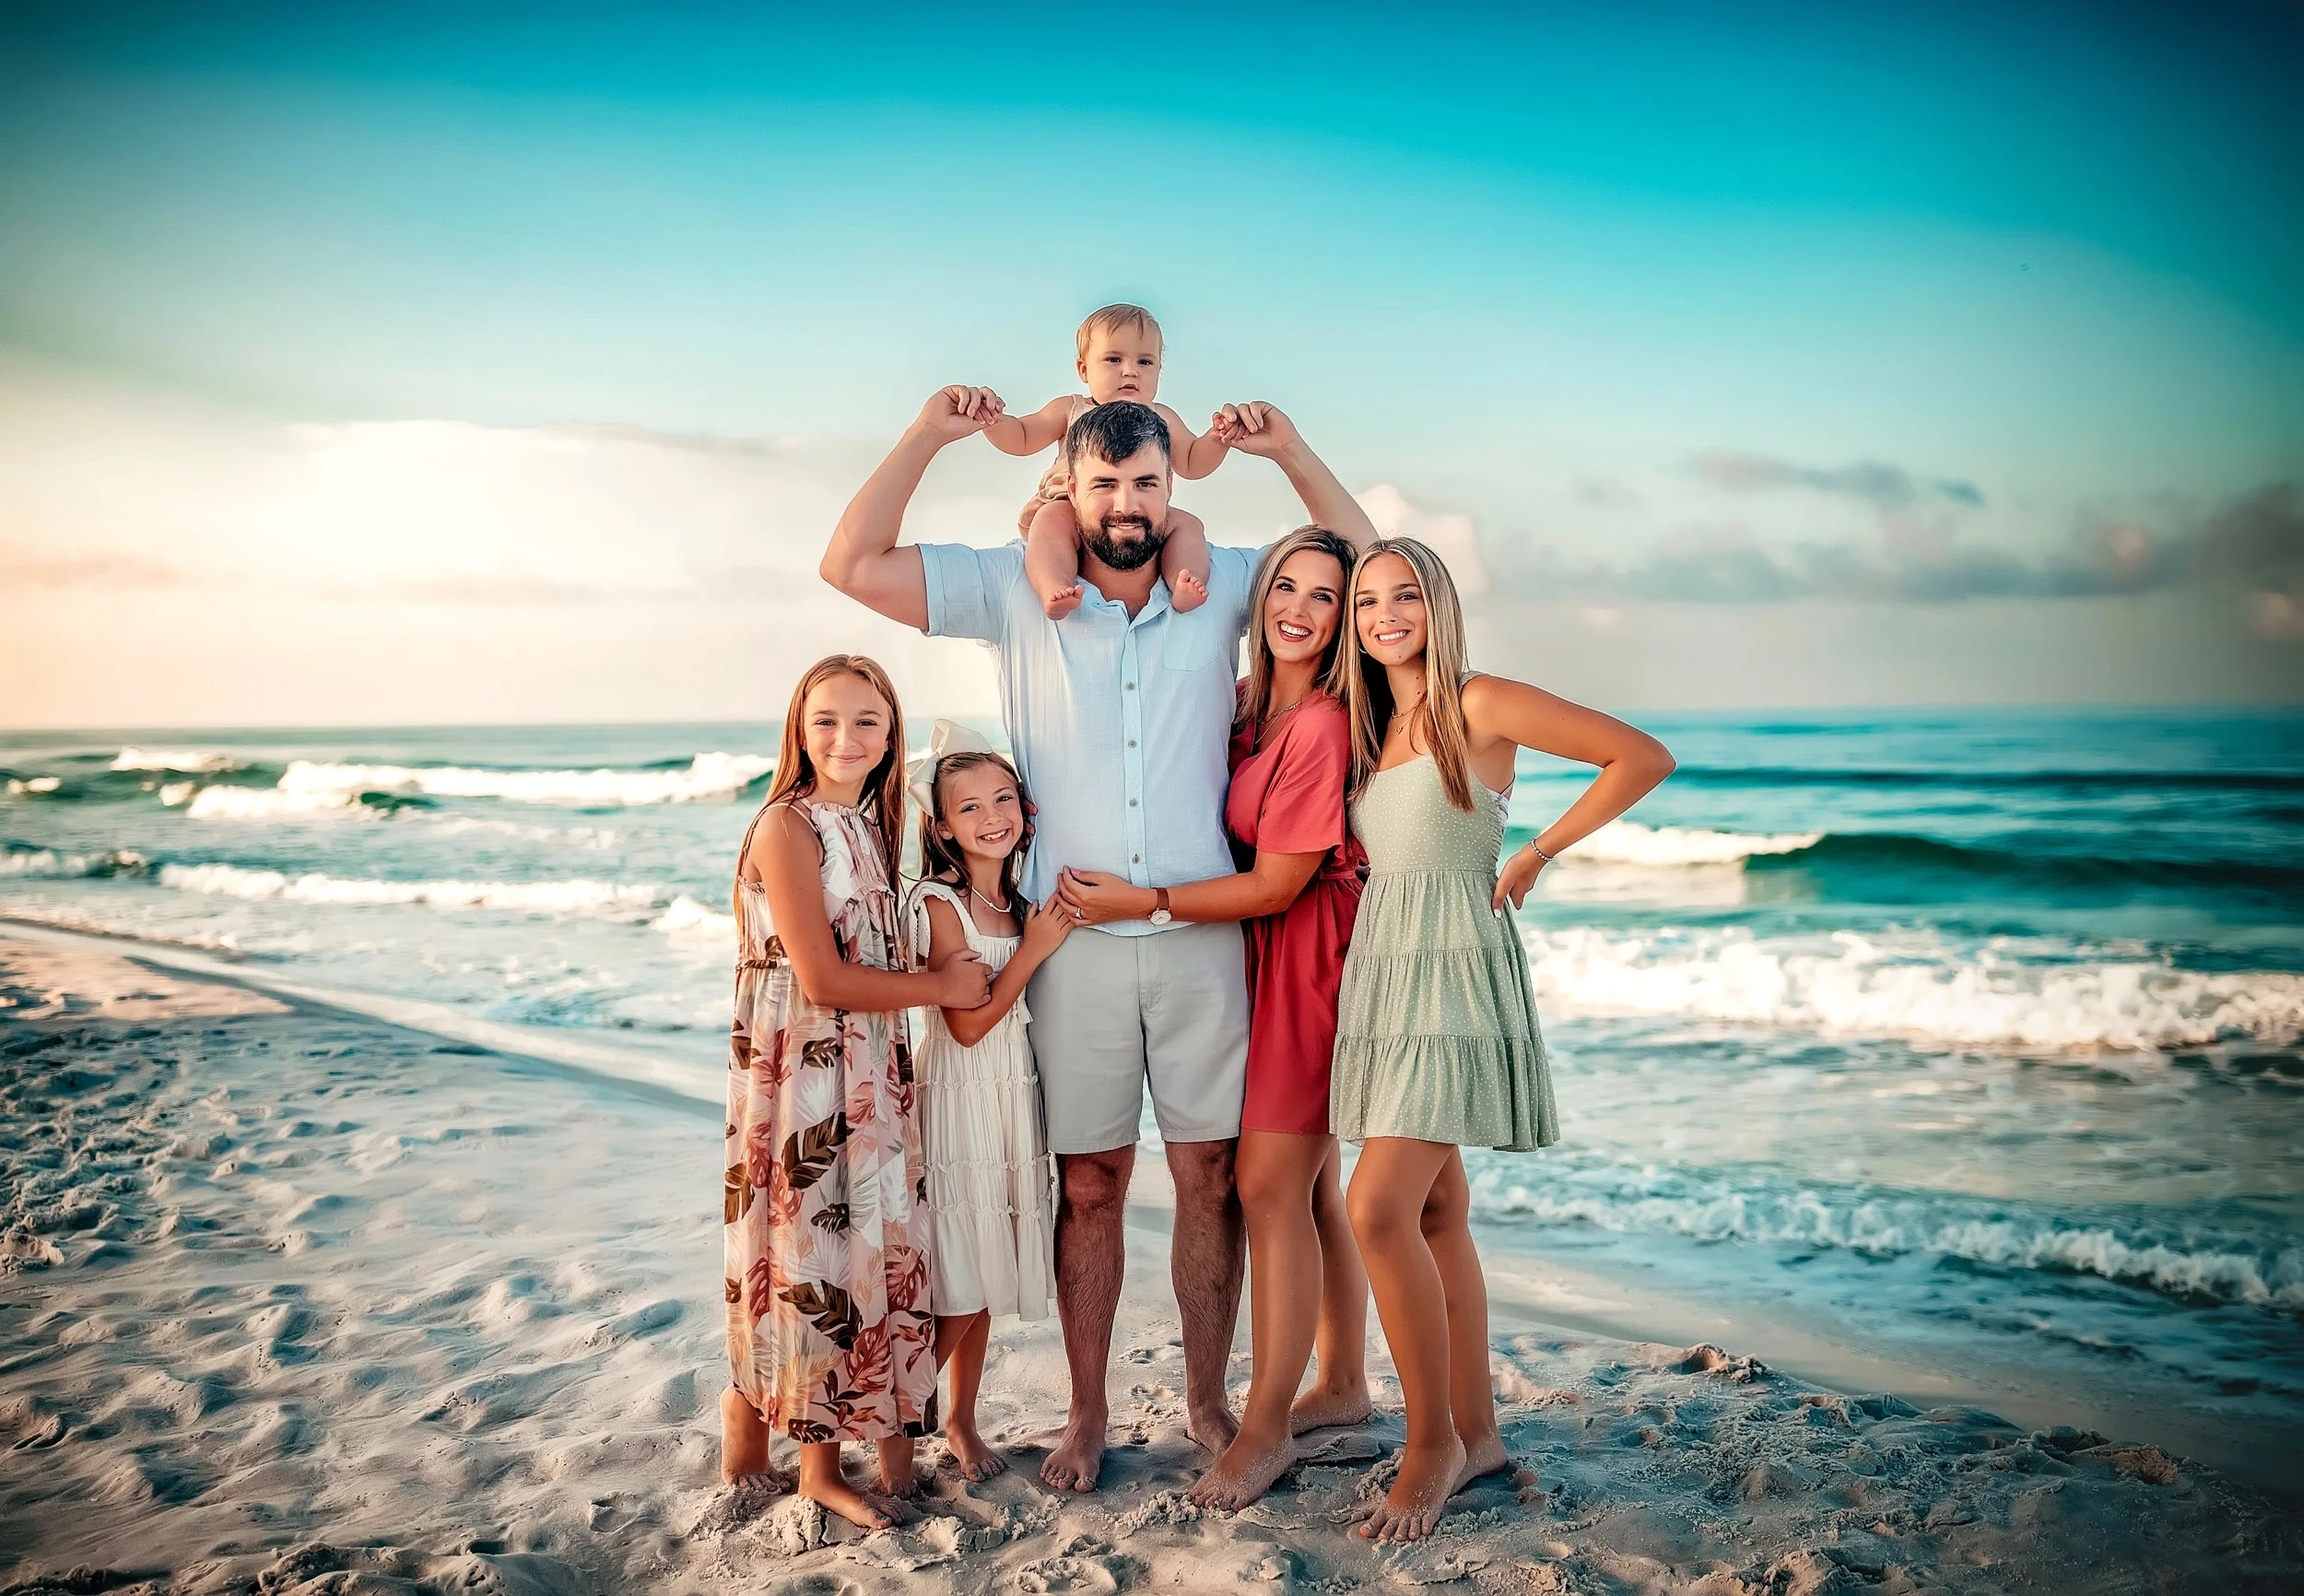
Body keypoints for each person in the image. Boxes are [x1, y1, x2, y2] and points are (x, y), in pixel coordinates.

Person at [818, 386, 1372, 1496]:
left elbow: (1369, 565)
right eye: (1106, 483)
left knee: (1210, 1175)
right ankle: (1086, 1411)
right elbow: (851, 563)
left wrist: (1298, 453)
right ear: (1067, 490)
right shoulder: (1010, 585)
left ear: (1173, 492)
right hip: (1068, 938)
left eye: (1148, 483)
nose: (1127, 502)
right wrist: (930, 432)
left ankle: (1209, 1398)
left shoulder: (1220, 590)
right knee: (1091, 1185)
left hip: (1205, 935)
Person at [1332, 538, 1675, 1543]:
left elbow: (1641, 756)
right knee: (1435, 1210)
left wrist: (1538, 849)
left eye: (1404, 596)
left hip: (1453, 975)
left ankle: (1429, 1442)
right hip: (1390, 972)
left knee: (1375, 1206)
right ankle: (1477, 1435)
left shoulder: (1477, 702)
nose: (1384, 614)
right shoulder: (1378, 721)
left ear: (1438, 606)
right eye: (1367, 601)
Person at [1054, 524, 1372, 1511]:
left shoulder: (1317, 723)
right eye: (1288, 585)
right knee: (1309, 1190)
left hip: (1303, 956)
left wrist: (1138, 903)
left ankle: (1262, 1419)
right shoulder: (1244, 706)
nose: (1300, 609)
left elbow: (1278, 885)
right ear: (1255, 592)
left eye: (1327, 597)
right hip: (1253, 957)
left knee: (1267, 1185)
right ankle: (1344, 1382)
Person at [721, 654, 993, 1531]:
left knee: (860, 1243)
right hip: (805, 1067)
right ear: (800, 728)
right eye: (828, 720)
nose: (847, 738)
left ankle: (760, 1434)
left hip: (869, 1066)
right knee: (813, 1254)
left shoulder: (870, 825)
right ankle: (816, 1470)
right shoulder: (786, 826)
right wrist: (941, 989)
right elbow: (823, 977)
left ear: (891, 733)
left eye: (868, 721)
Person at [903, 721, 1074, 1483]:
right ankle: (894, 1432)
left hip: (1011, 1099)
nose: (992, 816)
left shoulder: (1017, 902)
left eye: (1003, 798)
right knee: (958, 1282)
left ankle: (959, 1422)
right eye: (968, 808)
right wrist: (1035, 951)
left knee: (978, 1281)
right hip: (961, 1099)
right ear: (940, 827)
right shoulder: (944, 904)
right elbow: (968, 1026)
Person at [979, 303, 1219, 619]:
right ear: (1083, 369)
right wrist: (992, 419)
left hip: (1134, 513)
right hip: (1068, 505)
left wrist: (1219, 437)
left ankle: (1183, 581)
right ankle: (1054, 586)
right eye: (1113, 359)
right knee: (1050, 522)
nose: (1130, 370)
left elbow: (1191, 462)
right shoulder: (1071, 409)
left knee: (1188, 525)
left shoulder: (1161, 417)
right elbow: (1022, 437)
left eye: (1145, 361)